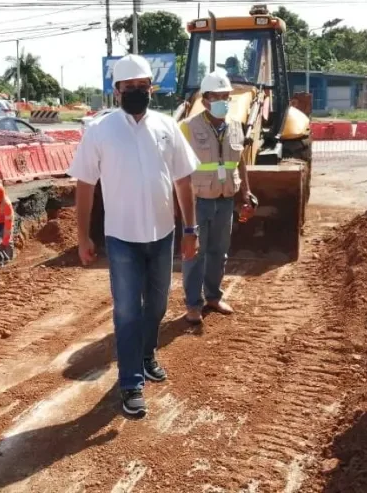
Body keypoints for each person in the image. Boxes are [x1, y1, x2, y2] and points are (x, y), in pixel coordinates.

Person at [68, 54, 200, 418]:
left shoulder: (166, 126)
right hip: (122, 238)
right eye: (130, 88)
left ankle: (146, 353)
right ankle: (130, 383)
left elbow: (183, 180)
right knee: (127, 311)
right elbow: (84, 186)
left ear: (151, 89)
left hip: (163, 235)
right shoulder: (100, 131)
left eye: (143, 87)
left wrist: (191, 229)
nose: (137, 93)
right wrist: (82, 236)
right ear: (117, 91)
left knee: (156, 307)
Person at [179, 71, 254, 324]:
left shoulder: (234, 126)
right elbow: (178, 167)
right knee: (195, 253)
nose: (223, 100)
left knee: (219, 252)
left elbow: (240, 160)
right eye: (218, 96)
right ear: (205, 98)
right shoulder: (188, 127)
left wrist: (246, 192)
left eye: (227, 96)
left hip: (225, 199)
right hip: (198, 200)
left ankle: (213, 296)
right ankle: (193, 303)